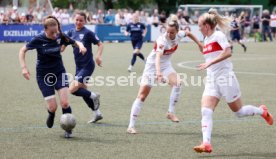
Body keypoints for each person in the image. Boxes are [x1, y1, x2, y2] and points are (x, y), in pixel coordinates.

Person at [193, 9, 273, 153]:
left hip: (226, 78)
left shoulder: (218, 35)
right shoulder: (206, 39)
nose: (198, 28)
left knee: (239, 112)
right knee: (206, 110)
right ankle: (206, 143)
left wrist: (209, 63)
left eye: (200, 25)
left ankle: (262, 111)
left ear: (206, 25)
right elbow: (209, 54)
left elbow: (228, 52)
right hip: (212, 80)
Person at [127, 20, 203, 134]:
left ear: (177, 31)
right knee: (142, 96)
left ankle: (170, 112)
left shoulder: (179, 34)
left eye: (171, 32)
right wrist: (158, 73)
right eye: (167, 31)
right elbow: (157, 57)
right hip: (152, 66)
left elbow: (188, 33)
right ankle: (131, 126)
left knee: (178, 83)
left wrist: (199, 44)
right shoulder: (162, 40)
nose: (168, 34)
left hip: (166, 65)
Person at [18, 16, 87, 138]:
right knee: (53, 107)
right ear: (46, 29)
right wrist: (24, 68)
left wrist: (80, 46)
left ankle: (68, 129)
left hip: (59, 72)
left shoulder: (60, 35)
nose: (55, 35)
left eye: (56, 31)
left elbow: (75, 42)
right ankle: (51, 113)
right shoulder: (38, 39)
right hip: (44, 75)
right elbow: (22, 51)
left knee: (65, 103)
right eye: (52, 32)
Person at [63, 12, 104, 123]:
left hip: (88, 66)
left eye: (81, 20)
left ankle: (94, 95)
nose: (78, 22)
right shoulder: (70, 32)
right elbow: (62, 47)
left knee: (72, 89)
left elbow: (100, 44)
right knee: (82, 91)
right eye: (77, 20)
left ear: (85, 21)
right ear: (73, 19)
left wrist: (98, 56)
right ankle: (97, 113)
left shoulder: (88, 33)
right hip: (79, 67)